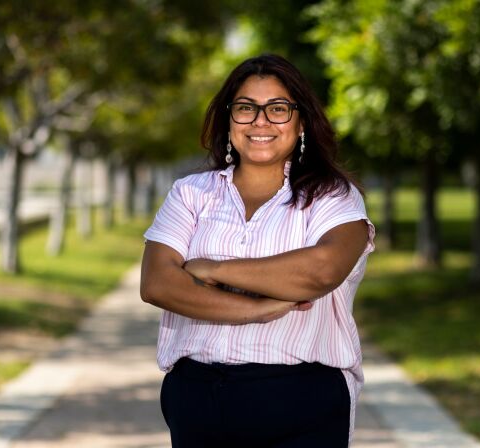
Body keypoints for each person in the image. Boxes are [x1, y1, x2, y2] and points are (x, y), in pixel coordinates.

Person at [140, 54, 375, 448]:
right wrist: (257, 308)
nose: (261, 122)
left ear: (301, 122)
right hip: (197, 400)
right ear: (228, 119)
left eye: (278, 109)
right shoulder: (191, 193)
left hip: (301, 403)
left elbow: (319, 271)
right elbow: (158, 283)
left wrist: (211, 269)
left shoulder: (333, 197)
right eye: (246, 108)